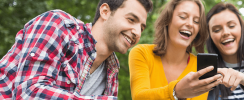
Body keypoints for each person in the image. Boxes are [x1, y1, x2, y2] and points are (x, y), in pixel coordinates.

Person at [0, 0, 152, 99]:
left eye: (142, 28)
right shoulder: (59, 25)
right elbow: (28, 93)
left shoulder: (112, 71)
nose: (137, 33)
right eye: (131, 20)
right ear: (105, 12)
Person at [128, 0, 221, 99]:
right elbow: (139, 97)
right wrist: (176, 92)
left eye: (196, 21)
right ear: (168, 19)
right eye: (183, 17)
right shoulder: (142, 53)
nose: (190, 24)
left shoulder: (201, 68)